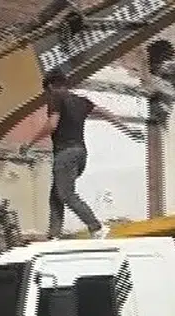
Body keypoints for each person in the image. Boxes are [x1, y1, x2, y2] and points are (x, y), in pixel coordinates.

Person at [28, 69, 146, 240]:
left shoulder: (56, 98)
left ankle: (96, 227)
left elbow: (52, 125)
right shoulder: (81, 101)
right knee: (56, 195)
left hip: (65, 154)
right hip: (80, 153)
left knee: (66, 194)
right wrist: (127, 129)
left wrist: (31, 142)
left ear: (51, 86)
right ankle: (54, 235)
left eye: (47, 91)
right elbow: (105, 113)